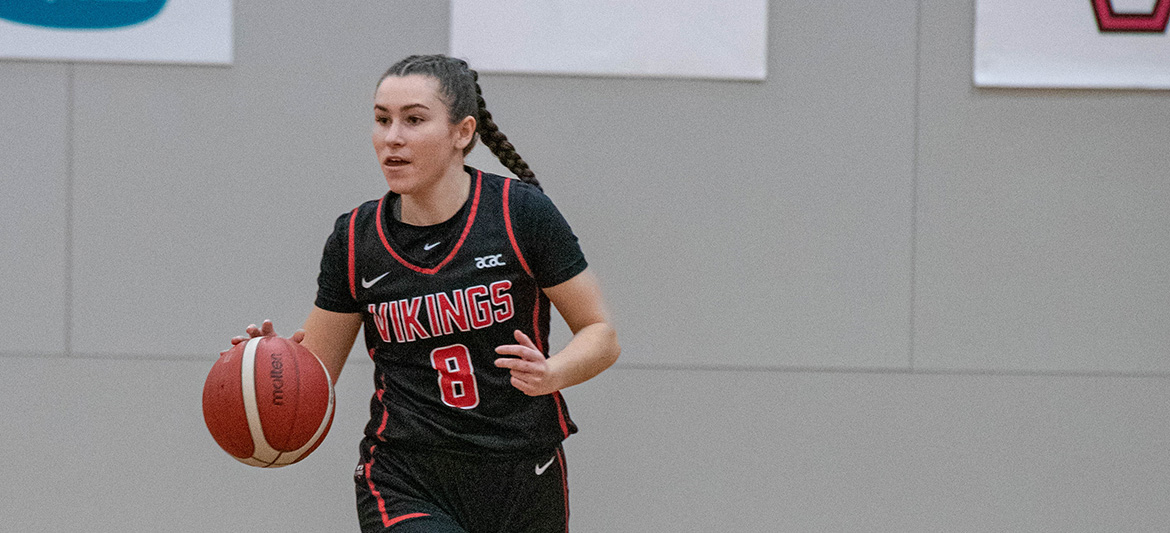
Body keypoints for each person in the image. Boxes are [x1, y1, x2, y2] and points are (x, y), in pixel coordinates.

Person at [229, 54, 620, 532]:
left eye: (413, 120)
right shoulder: (355, 240)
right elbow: (317, 373)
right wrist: (266, 369)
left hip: (522, 468)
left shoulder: (521, 214)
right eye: (381, 119)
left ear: (462, 132)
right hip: (405, 473)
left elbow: (600, 333)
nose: (392, 137)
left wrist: (552, 371)